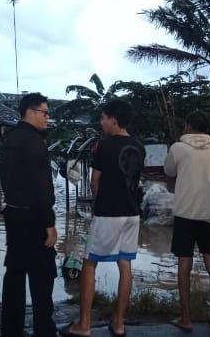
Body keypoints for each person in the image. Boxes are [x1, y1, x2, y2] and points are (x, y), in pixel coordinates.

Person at [61, 99, 145, 337]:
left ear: (113, 120)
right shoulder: (139, 146)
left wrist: (98, 204)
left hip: (108, 213)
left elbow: (94, 181)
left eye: (104, 118)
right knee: (125, 264)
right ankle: (119, 324)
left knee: (89, 264)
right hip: (132, 213)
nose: (102, 122)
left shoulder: (104, 146)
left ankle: (84, 325)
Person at [163, 110, 210, 332]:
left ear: (188, 127)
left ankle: (186, 318)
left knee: (184, 265)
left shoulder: (178, 148)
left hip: (185, 214)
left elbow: (169, 171)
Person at [0, 92, 58, 337]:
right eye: (44, 113)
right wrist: (49, 223)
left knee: (14, 274)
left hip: (13, 216)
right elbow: (41, 187)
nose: (47, 118)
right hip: (34, 219)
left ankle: (11, 329)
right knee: (42, 276)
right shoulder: (34, 143)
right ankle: (43, 329)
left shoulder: (9, 139)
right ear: (31, 112)